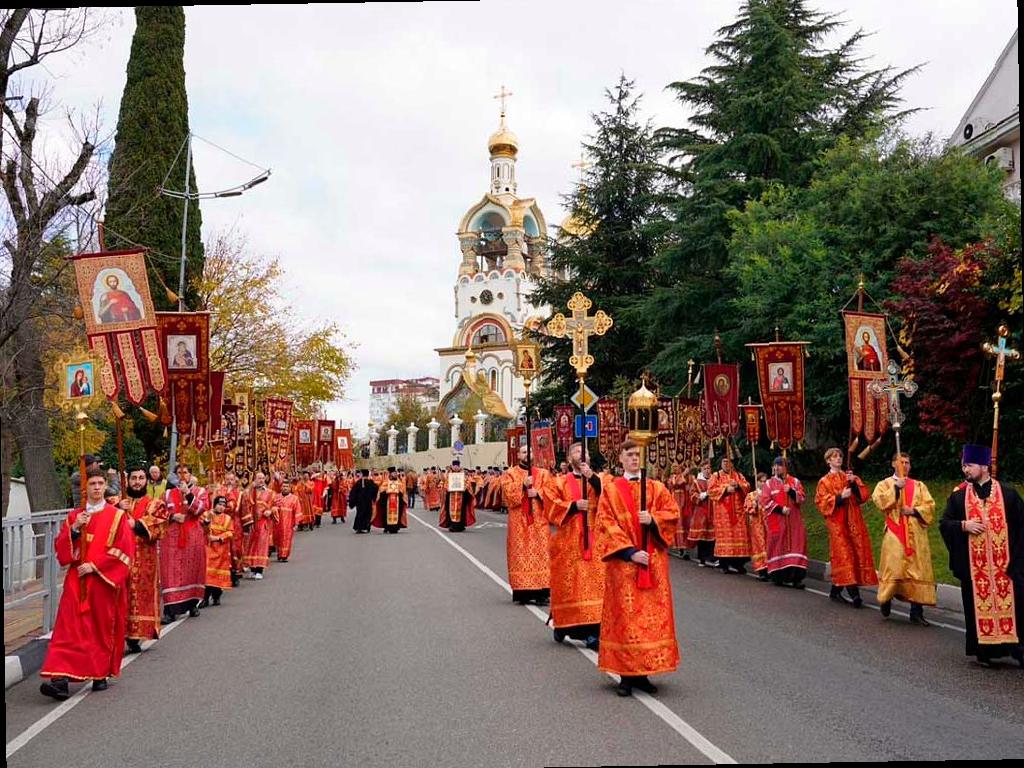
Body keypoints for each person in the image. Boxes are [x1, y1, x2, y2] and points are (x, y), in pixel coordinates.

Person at [40, 469, 136, 700]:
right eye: (92, 483)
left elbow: (125, 550)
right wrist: (74, 530)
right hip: (77, 581)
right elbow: (62, 551)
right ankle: (60, 679)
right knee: (68, 627)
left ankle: (99, 673)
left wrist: (95, 565)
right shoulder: (75, 516)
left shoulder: (117, 516)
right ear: (85, 488)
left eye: (100, 483)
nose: (96, 487)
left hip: (103, 582)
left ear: (105, 486)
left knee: (98, 629)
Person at [595, 439, 680, 697]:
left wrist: (654, 519)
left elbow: (673, 513)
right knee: (627, 621)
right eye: (629, 454)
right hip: (625, 566)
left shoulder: (656, 488)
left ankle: (644, 673)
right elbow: (605, 524)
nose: (634, 459)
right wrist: (631, 553)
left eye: (637, 455)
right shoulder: (610, 490)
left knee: (649, 621)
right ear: (620, 458)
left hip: (653, 564)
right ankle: (626, 676)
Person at [940, 444, 1023, 667]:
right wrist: (963, 525)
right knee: (976, 609)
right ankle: (983, 652)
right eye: (963, 465)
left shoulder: (1008, 494)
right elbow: (945, 524)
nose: (965, 469)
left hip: (1006, 568)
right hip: (975, 571)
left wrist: (1016, 561)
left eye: (970, 465)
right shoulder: (958, 499)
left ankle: (1017, 650)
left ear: (985, 467)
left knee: (1016, 607)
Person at [540, 442, 605, 649]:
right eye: (577, 451)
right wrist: (574, 506)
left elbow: (610, 497)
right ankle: (565, 625)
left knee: (595, 588)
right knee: (572, 587)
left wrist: (591, 478)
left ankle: (593, 631)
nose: (581, 453)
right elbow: (550, 505)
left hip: (595, 542)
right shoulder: (558, 482)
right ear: (569, 459)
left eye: (584, 451)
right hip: (569, 542)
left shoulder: (600, 478)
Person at [871, 452, 936, 626]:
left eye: (907, 462)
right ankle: (886, 599)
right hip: (895, 533)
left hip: (916, 535)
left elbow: (930, 506)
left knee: (917, 571)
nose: (905, 465)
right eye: (901, 462)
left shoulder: (919, 485)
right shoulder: (884, 484)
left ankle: (917, 611)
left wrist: (914, 511)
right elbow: (879, 501)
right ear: (893, 464)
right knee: (894, 568)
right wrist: (896, 489)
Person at [814, 448, 878, 607]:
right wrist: (839, 497)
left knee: (855, 553)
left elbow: (862, 496)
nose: (838, 459)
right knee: (844, 555)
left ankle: (835, 590)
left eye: (840, 456)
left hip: (853, 521)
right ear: (828, 460)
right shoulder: (824, 481)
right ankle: (854, 595)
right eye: (834, 457)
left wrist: (854, 484)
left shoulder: (849, 476)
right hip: (837, 523)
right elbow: (822, 503)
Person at [121, 466, 168, 654]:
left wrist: (137, 524)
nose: (137, 482)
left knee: (140, 596)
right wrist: (117, 509)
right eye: (134, 478)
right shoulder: (117, 502)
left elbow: (160, 526)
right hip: (121, 558)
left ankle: (136, 634)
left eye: (141, 478)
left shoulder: (155, 504)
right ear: (127, 481)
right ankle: (121, 632)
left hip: (144, 559)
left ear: (146, 481)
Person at [500, 445, 552, 606]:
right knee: (520, 556)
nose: (527, 454)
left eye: (529, 451)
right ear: (518, 455)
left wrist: (538, 493)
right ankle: (523, 593)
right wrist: (522, 484)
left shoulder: (543, 473)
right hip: (519, 522)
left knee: (542, 554)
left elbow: (552, 493)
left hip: (539, 521)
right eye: (523, 452)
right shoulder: (510, 473)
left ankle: (542, 592)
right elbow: (507, 496)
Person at [160, 464, 208, 620]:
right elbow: (158, 513)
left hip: (193, 537)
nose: (182, 475)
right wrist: (172, 517)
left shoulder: (200, 492)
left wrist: (188, 494)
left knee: (192, 571)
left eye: (185, 472)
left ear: (190, 475)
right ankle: (169, 610)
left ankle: (192, 604)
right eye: (179, 472)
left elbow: (201, 509)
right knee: (170, 573)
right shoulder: (167, 494)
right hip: (171, 538)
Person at [760, 456, 808, 588]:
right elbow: (764, 501)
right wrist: (781, 509)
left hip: (794, 522)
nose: (776, 468)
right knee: (777, 547)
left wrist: (791, 492)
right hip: (778, 522)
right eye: (775, 465)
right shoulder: (769, 484)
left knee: (796, 546)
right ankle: (778, 576)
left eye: (780, 465)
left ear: (785, 467)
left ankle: (796, 578)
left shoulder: (795, 481)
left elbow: (802, 498)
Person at [709, 455, 752, 574]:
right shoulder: (715, 476)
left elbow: (747, 486)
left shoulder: (738, 475)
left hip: (738, 513)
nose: (726, 464)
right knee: (725, 540)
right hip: (723, 514)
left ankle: (738, 563)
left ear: (732, 463)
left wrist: (738, 486)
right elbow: (711, 491)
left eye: (728, 462)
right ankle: (724, 564)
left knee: (740, 537)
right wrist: (725, 489)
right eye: (724, 462)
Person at [241, 471, 277, 577]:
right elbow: (244, 501)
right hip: (252, 522)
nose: (261, 480)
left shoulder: (270, 493)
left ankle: (259, 570)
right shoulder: (249, 492)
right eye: (258, 478)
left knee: (261, 545)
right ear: (254, 480)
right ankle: (252, 568)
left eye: (262, 478)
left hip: (263, 522)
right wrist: (250, 487)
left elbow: (275, 505)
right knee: (251, 545)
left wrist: (270, 511)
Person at [201, 496, 234, 607]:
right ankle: (205, 598)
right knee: (207, 574)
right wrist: (207, 521)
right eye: (219, 505)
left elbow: (230, 533)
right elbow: (202, 529)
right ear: (214, 504)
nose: (221, 507)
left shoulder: (228, 518)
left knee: (218, 575)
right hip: (208, 548)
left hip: (221, 550)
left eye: (223, 506)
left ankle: (216, 596)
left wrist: (219, 538)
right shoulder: (206, 515)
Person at [686, 459, 717, 567]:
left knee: (713, 535)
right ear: (701, 470)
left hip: (713, 510)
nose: (707, 471)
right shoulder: (697, 482)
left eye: (709, 468)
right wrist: (703, 495)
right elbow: (692, 495)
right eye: (705, 469)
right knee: (702, 535)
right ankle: (702, 558)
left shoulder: (715, 480)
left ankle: (713, 557)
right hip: (701, 511)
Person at [440, 459, 476, 533]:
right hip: (451, 496)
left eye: (457, 466)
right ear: (452, 466)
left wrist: (465, 487)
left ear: (459, 466)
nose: (456, 467)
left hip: (461, 496)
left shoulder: (463, 474)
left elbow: (467, 483)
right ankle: (452, 525)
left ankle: (460, 526)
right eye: (454, 466)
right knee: (450, 511)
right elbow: (445, 483)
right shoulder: (449, 474)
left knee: (461, 511)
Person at [745, 473, 770, 581]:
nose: (763, 483)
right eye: (761, 481)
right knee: (760, 547)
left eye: (765, 481)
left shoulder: (769, 494)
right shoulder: (751, 495)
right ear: (757, 482)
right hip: (757, 525)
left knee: (769, 546)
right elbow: (747, 508)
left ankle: (770, 569)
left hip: (768, 524)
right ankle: (762, 571)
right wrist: (754, 505)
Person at [373, 468, 409, 533]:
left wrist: (399, 492)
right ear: (390, 474)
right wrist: (386, 492)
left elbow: (403, 491)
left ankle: (395, 527)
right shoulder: (386, 482)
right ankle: (387, 527)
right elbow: (381, 490)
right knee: (385, 514)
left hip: (397, 501)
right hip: (387, 502)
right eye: (393, 473)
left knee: (397, 514)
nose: (395, 474)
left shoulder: (399, 482)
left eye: (395, 473)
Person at [275, 478, 300, 560]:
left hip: (289, 522)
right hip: (277, 522)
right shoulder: (276, 497)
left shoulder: (294, 498)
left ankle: (284, 555)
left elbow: (297, 511)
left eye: (287, 486)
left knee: (287, 538)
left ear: (290, 488)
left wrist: (296, 524)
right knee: (278, 538)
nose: (285, 488)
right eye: (283, 486)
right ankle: (279, 554)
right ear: (281, 487)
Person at [348, 469, 378, 533]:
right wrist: (374, 498)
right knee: (368, 514)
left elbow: (353, 493)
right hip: (368, 501)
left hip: (360, 502)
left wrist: (353, 501)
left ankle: (359, 527)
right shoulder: (371, 482)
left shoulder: (358, 483)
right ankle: (366, 526)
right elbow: (376, 489)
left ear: (362, 474)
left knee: (360, 514)